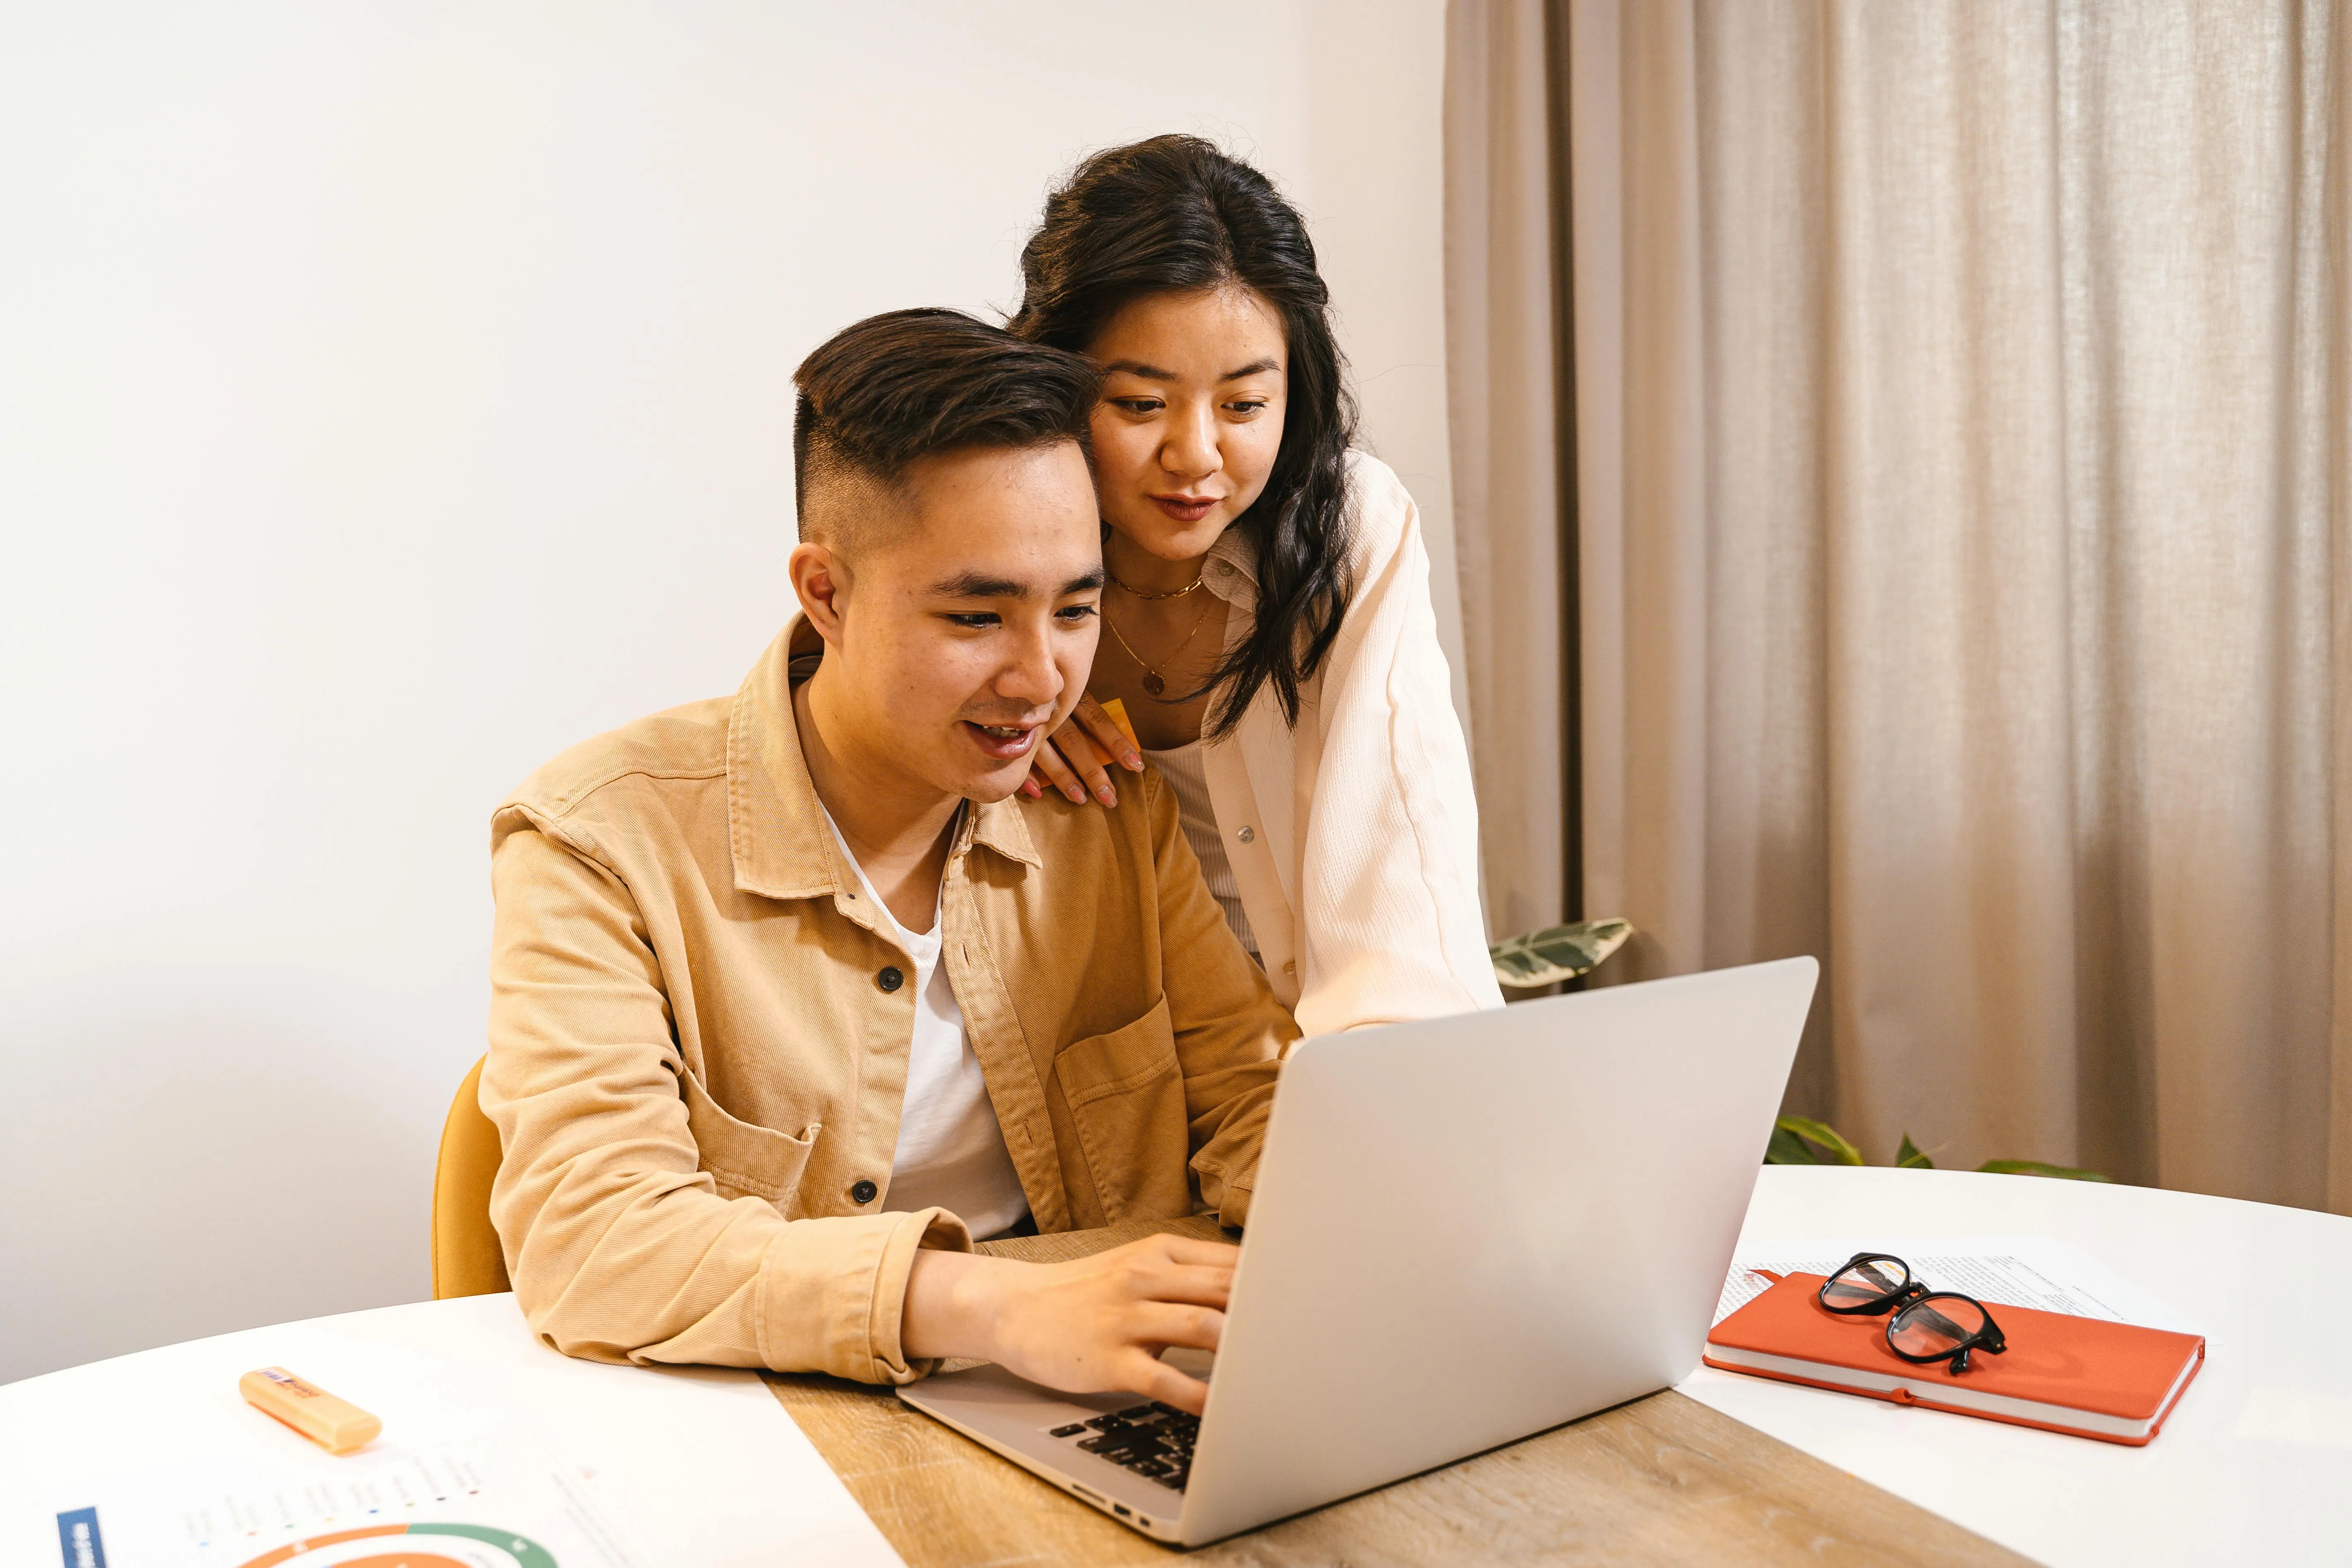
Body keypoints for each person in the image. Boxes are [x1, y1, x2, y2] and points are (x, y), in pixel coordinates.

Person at [480, 309, 1296, 1415]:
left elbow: (1252, 1108)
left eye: (1075, 609)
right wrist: (996, 1308)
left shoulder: (1103, 806)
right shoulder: (597, 841)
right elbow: (595, 1237)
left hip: (1093, 1408)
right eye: (975, 615)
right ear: (826, 592)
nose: (1039, 676)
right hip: (761, 1422)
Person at [1007, 136, 1504, 1038]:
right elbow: (855, 665)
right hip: (1102, 1082)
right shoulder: (993, 555)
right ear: (1057, 382)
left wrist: (1370, 1109)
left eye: (1241, 405)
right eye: (1140, 403)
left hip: (1319, 1073)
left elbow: (1394, 853)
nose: (1195, 455)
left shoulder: (1343, 531)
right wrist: (991, 699)